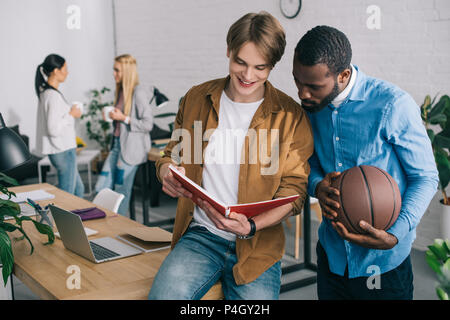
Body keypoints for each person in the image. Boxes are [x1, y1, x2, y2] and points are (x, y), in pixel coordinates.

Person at [148, 11, 314, 300]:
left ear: (272, 65)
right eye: (240, 62)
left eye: (260, 67)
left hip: (258, 245)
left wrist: (251, 225)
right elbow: (170, 153)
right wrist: (166, 171)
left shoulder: (290, 117)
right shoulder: (197, 99)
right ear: (229, 50)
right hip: (201, 236)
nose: (248, 76)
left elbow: (295, 192)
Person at [292, 25, 439, 300]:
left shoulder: (392, 105)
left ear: (343, 75)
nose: (302, 94)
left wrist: (395, 235)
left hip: (384, 265)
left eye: (312, 86)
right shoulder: (311, 109)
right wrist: (316, 185)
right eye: (297, 82)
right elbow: (306, 163)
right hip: (332, 257)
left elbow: (426, 177)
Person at [94, 54, 153, 216]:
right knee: (101, 187)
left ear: (126, 71)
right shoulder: (120, 91)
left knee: (121, 192)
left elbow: (148, 124)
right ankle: (105, 225)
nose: (114, 74)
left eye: (117, 70)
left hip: (130, 151)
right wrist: (113, 117)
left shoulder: (138, 92)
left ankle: (117, 230)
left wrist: (123, 118)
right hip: (117, 146)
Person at [35, 54, 85, 197]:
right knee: (68, 196)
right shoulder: (52, 96)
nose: (67, 72)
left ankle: (76, 219)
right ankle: (65, 219)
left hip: (62, 150)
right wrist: (72, 114)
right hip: (63, 150)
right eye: (65, 68)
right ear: (56, 71)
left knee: (78, 190)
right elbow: (53, 129)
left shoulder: (46, 93)